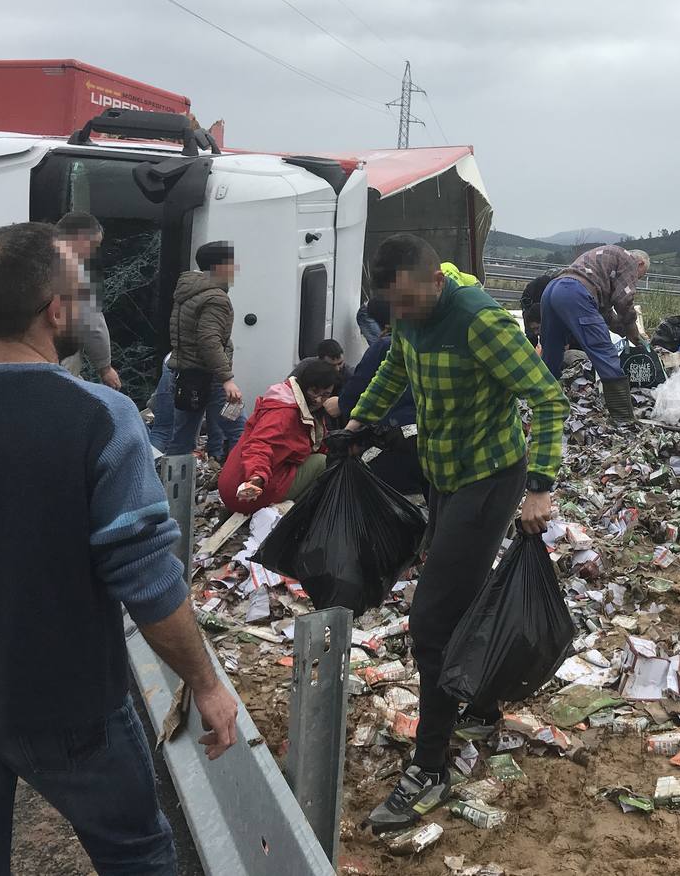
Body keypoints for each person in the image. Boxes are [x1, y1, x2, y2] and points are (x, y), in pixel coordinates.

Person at [0, 222, 237, 874]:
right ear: (56, 309)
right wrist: (206, 685)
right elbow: (145, 578)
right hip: (70, 702)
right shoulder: (99, 417)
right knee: (135, 853)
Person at [343, 235, 567, 832]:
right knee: (462, 596)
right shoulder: (408, 315)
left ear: (435, 282)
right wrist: (361, 419)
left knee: (431, 621)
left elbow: (547, 396)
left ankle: (431, 768)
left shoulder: (480, 321)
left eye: (412, 302)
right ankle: (484, 707)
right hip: (443, 473)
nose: (404, 315)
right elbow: (395, 365)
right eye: (395, 306)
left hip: (490, 478)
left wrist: (540, 485)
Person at [0, 212, 120, 390]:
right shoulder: (74, 277)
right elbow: (94, 326)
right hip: (49, 375)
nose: (92, 253)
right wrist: (105, 367)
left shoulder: (21, 266)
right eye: (92, 245)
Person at [539, 245, 650, 422]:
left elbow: (605, 314)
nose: (635, 279)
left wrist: (623, 331)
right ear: (641, 263)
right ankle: (623, 417)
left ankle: (543, 405)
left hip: (553, 289)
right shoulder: (629, 259)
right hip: (575, 292)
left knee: (551, 352)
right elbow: (624, 301)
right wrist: (634, 334)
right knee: (605, 352)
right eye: (640, 275)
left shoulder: (604, 264)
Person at [220, 359, 342, 514]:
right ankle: (291, 517)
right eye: (314, 392)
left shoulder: (302, 408)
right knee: (321, 463)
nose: (319, 399)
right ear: (304, 386)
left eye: (325, 395)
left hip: (238, 485)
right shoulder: (284, 413)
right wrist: (256, 478)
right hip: (246, 491)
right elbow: (259, 445)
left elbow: (319, 443)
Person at [336, 299, 427, 497]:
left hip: (393, 445)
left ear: (384, 324)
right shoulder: (428, 341)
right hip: (431, 445)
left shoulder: (384, 347)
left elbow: (352, 398)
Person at [165, 241, 245, 458]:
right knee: (239, 431)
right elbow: (209, 340)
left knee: (182, 438)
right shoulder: (216, 298)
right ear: (219, 267)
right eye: (232, 263)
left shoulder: (188, 291)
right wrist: (226, 378)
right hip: (211, 378)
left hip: (186, 376)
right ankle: (242, 484)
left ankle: (170, 489)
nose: (235, 268)